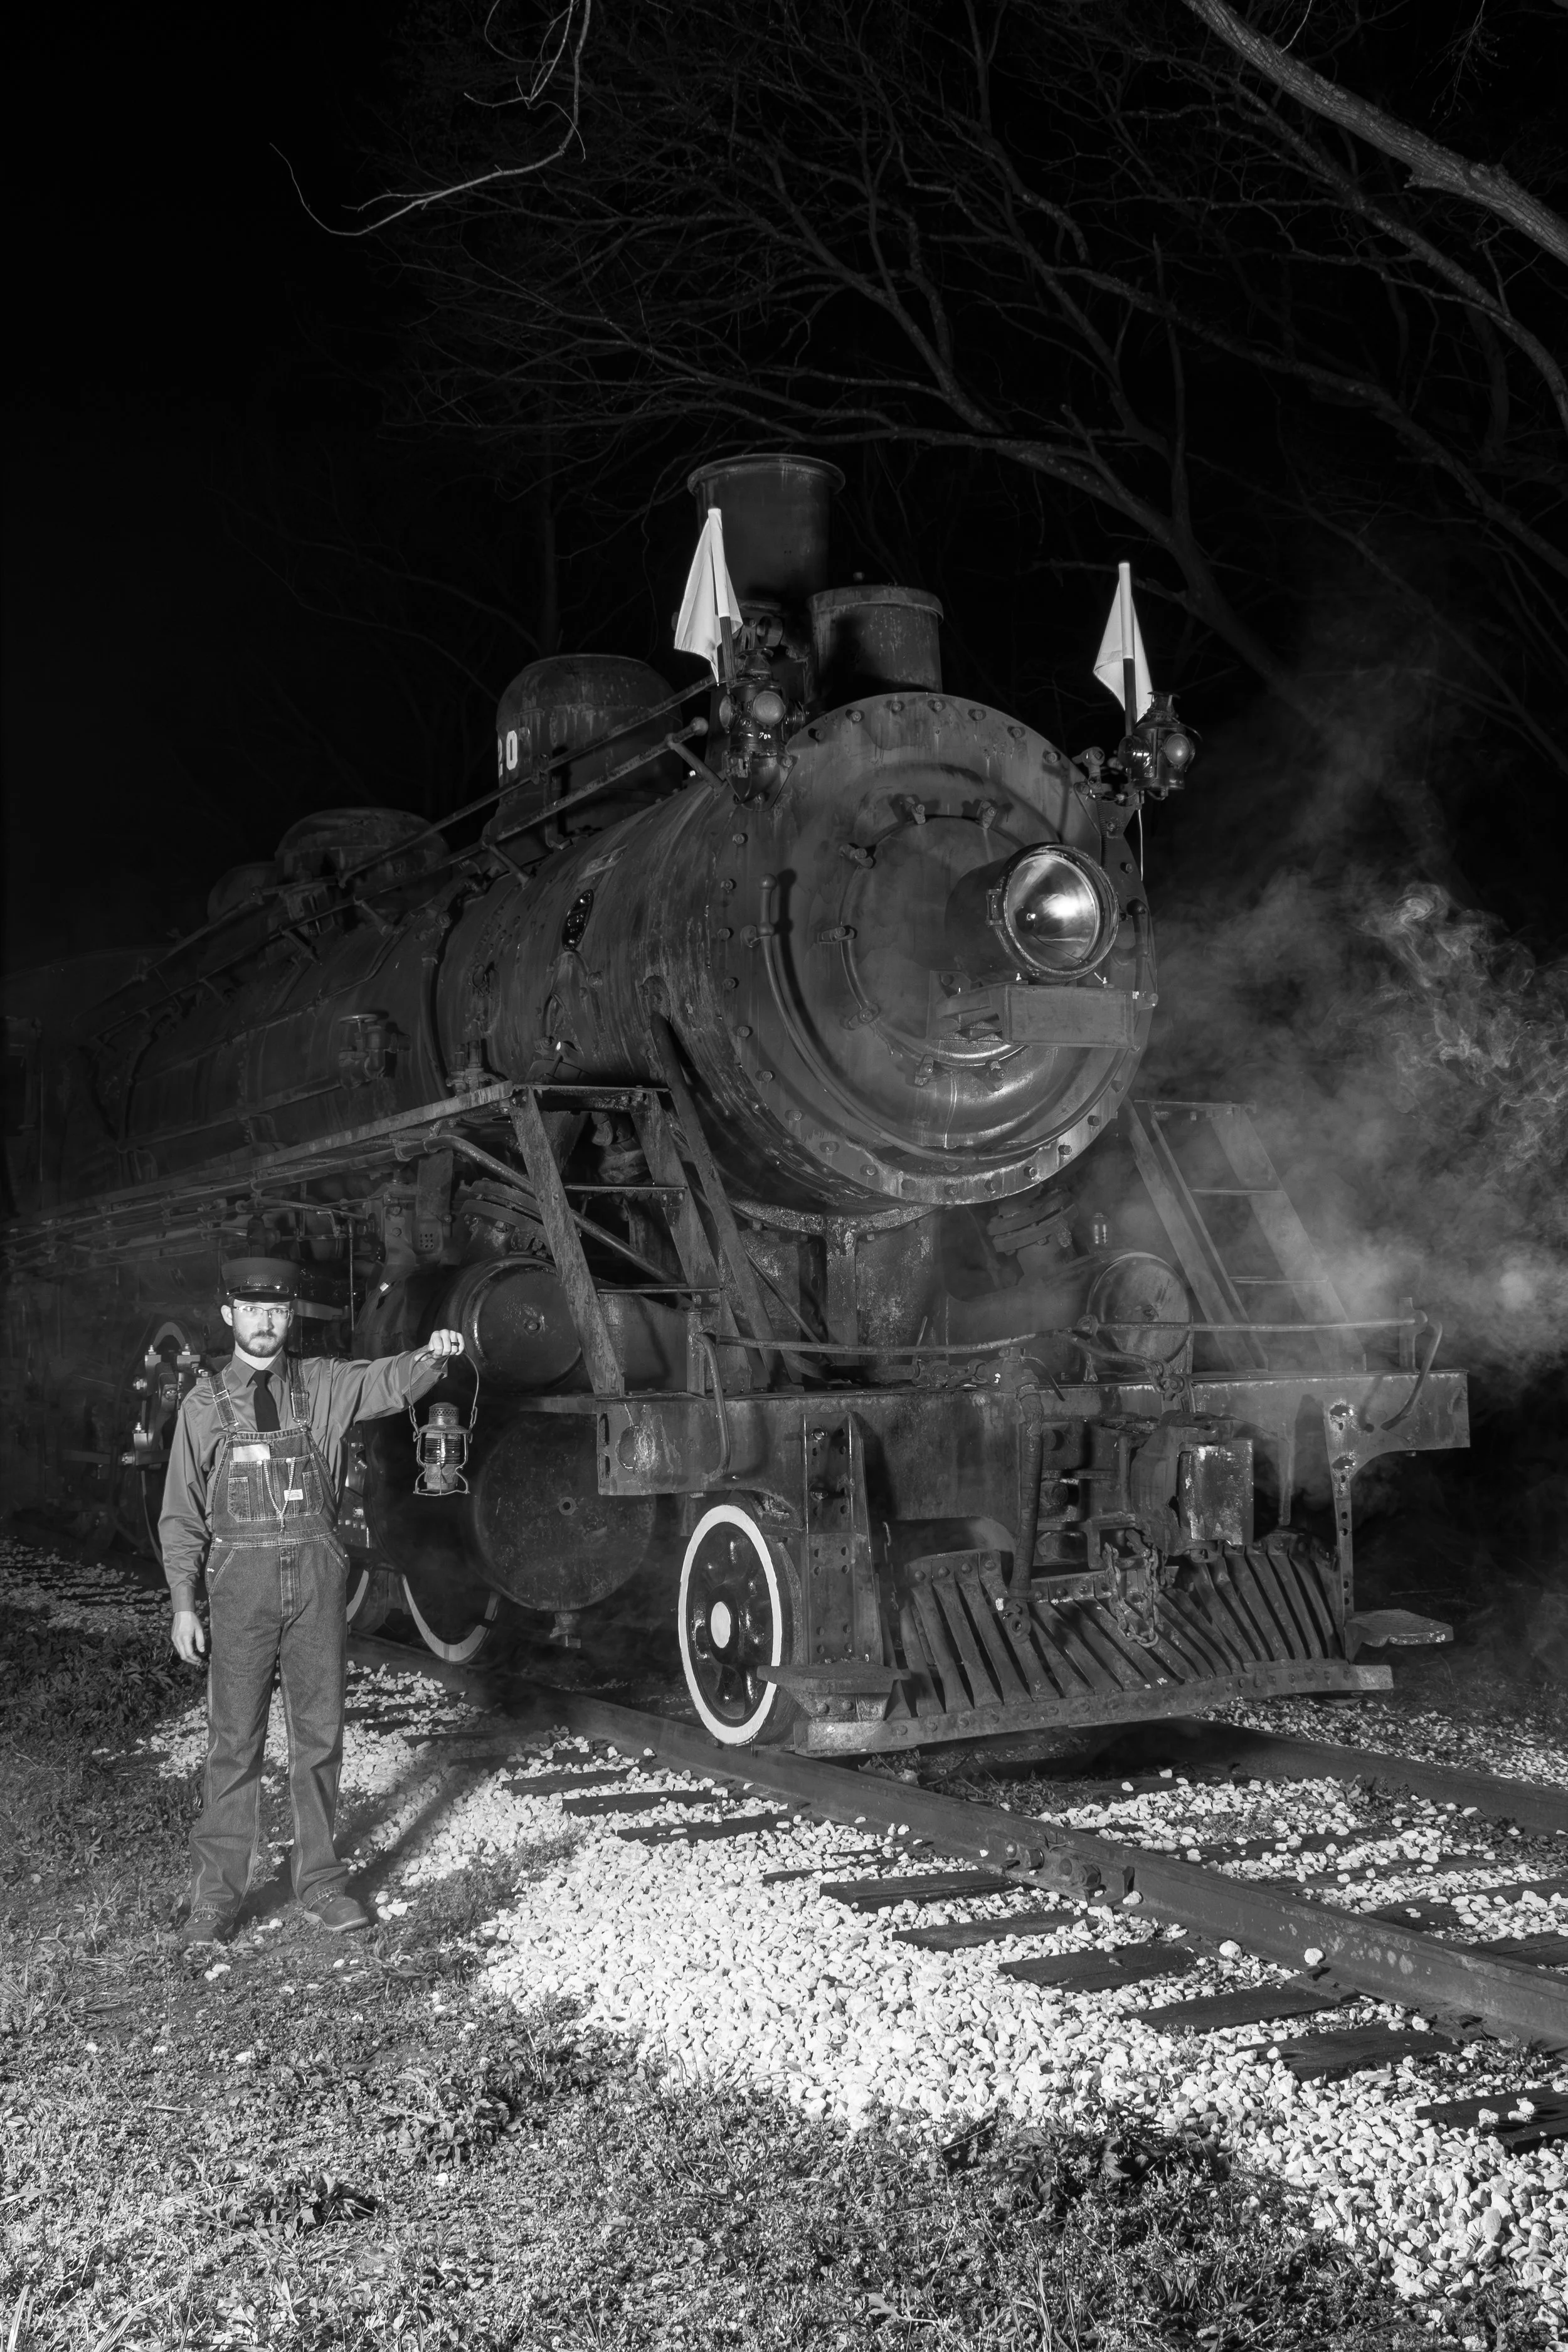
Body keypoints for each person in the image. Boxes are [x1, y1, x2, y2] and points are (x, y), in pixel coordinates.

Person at [159, 1255, 467, 1948]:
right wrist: (184, 1601)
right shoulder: (204, 1405)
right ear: (228, 1316)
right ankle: (215, 1899)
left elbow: (388, 1380)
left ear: (289, 1317)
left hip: (318, 1582)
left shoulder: (324, 1384)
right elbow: (181, 1514)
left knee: (319, 1738)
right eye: (252, 1309)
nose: (265, 1322)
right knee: (232, 1744)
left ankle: (321, 1881)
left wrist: (432, 1357)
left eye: (277, 1311)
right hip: (239, 1588)